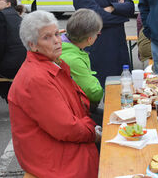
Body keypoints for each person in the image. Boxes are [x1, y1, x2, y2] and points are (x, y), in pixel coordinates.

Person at [8, 11, 100, 178]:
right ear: (33, 45)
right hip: (52, 158)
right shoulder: (35, 78)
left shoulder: (51, 63)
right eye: (47, 37)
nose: (57, 41)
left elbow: (78, 106)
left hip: (60, 141)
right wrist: (94, 132)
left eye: (57, 34)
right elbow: (67, 128)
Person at [72, 0, 134, 88]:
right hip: (100, 50)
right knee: (99, 93)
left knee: (123, 90)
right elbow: (95, 19)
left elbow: (130, 7)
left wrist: (112, 8)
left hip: (119, 49)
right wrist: (120, 13)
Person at [60, 8, 104, 126]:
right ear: (90, 39)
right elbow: (94, 92)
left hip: (72, 110)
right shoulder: (73, 59)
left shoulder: (65, 47)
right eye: (98, 34)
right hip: (77, 113)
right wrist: (98, 84)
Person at [0, 0, 27, 102]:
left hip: (9, 68)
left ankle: (12, 97)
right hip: (24, 65)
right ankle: (17, 95)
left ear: (8, 4)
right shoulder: (19, 17)